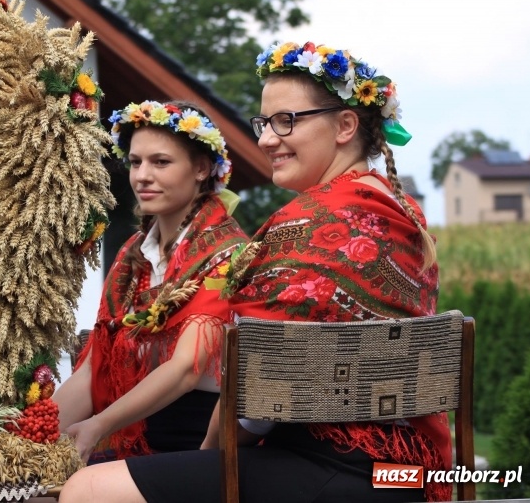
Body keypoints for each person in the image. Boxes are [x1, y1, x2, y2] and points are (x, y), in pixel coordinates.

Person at [58, 42, 451, 503]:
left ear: (345, 125)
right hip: (408, 472)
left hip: (341, 466)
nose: (266, 139)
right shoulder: (401, 211)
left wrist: (209, 455)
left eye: (286, 121)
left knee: (87, 488)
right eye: (264, 123)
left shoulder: (307, 225)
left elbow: (258, 388)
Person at [53, 100, 248, 463]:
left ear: (202, 169)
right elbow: (95, 367)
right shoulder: (133, 254)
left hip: (199, 444)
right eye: (135, 162)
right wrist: (29, 436)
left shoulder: (229, 254)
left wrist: (99, 425)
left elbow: (186, 369)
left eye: (161, 162)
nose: (142, 175)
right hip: (132, 434)